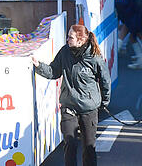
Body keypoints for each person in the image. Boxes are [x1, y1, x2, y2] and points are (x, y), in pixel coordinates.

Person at [32, 24, 111, 166]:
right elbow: (53, 71)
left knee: (89, 147)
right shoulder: (65, 52)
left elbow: (105, 80)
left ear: (80, 40)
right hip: (69, 106)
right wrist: (38, 66)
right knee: (70, 143)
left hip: (88, 107)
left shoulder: (94, 57)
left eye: (70, 37)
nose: (67, 39)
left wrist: (104, 102)